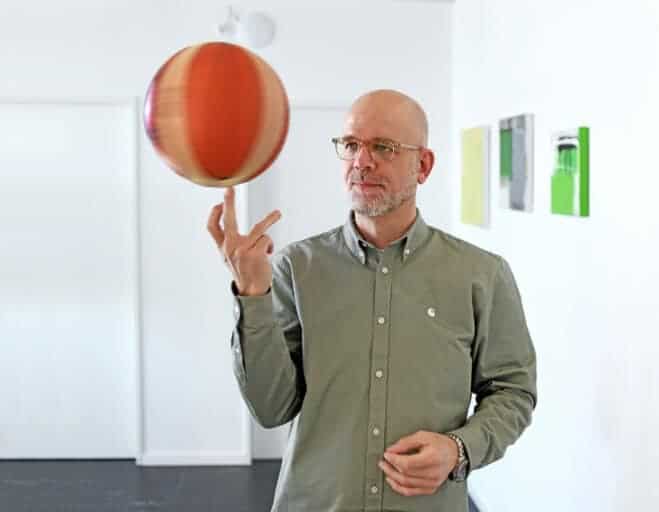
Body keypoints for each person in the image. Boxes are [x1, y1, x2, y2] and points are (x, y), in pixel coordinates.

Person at [207, 90, 537, 512]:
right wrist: (252, 294)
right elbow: (272, 408)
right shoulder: (296, 268)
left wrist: (459, 448)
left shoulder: (482, 275)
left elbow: (513, 390)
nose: (362, 161)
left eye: (384, 147)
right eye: (350, 145)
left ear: (424, 166)